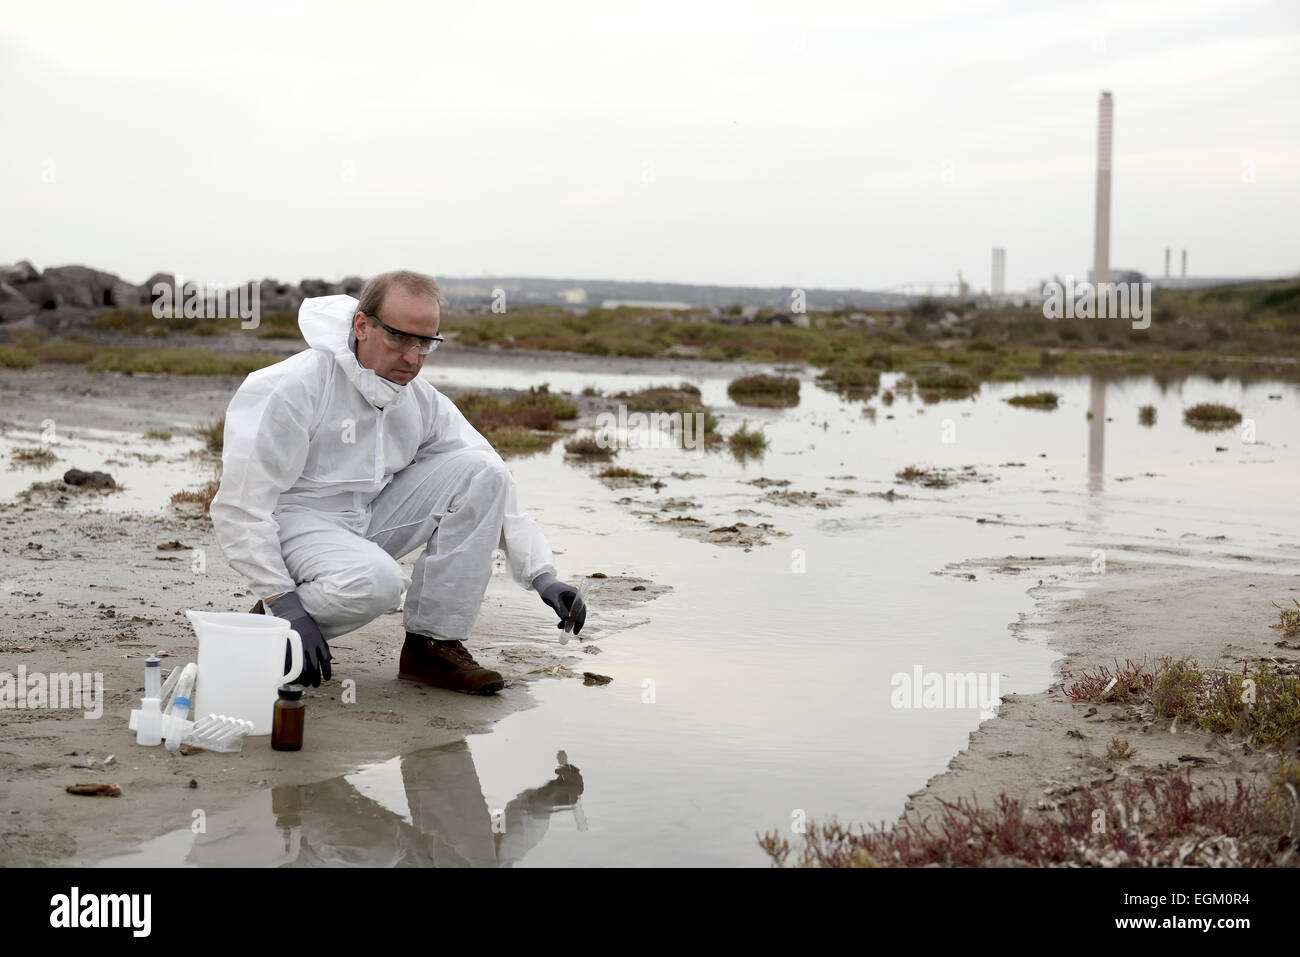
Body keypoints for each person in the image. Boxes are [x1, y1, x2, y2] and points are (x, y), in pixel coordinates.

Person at [210, 269, 586, 695]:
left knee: (482, 470)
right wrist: (281, 598)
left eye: (425, 342)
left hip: (365, 520)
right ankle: (263, 633)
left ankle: (432, 646)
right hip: (295, 523)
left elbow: (488, 472)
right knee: (380, 582)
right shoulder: (291, 387)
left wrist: (542, 574)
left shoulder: (418, 398)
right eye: (400, 338)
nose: (413, 358)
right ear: (362, 325)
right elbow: (240, 508)